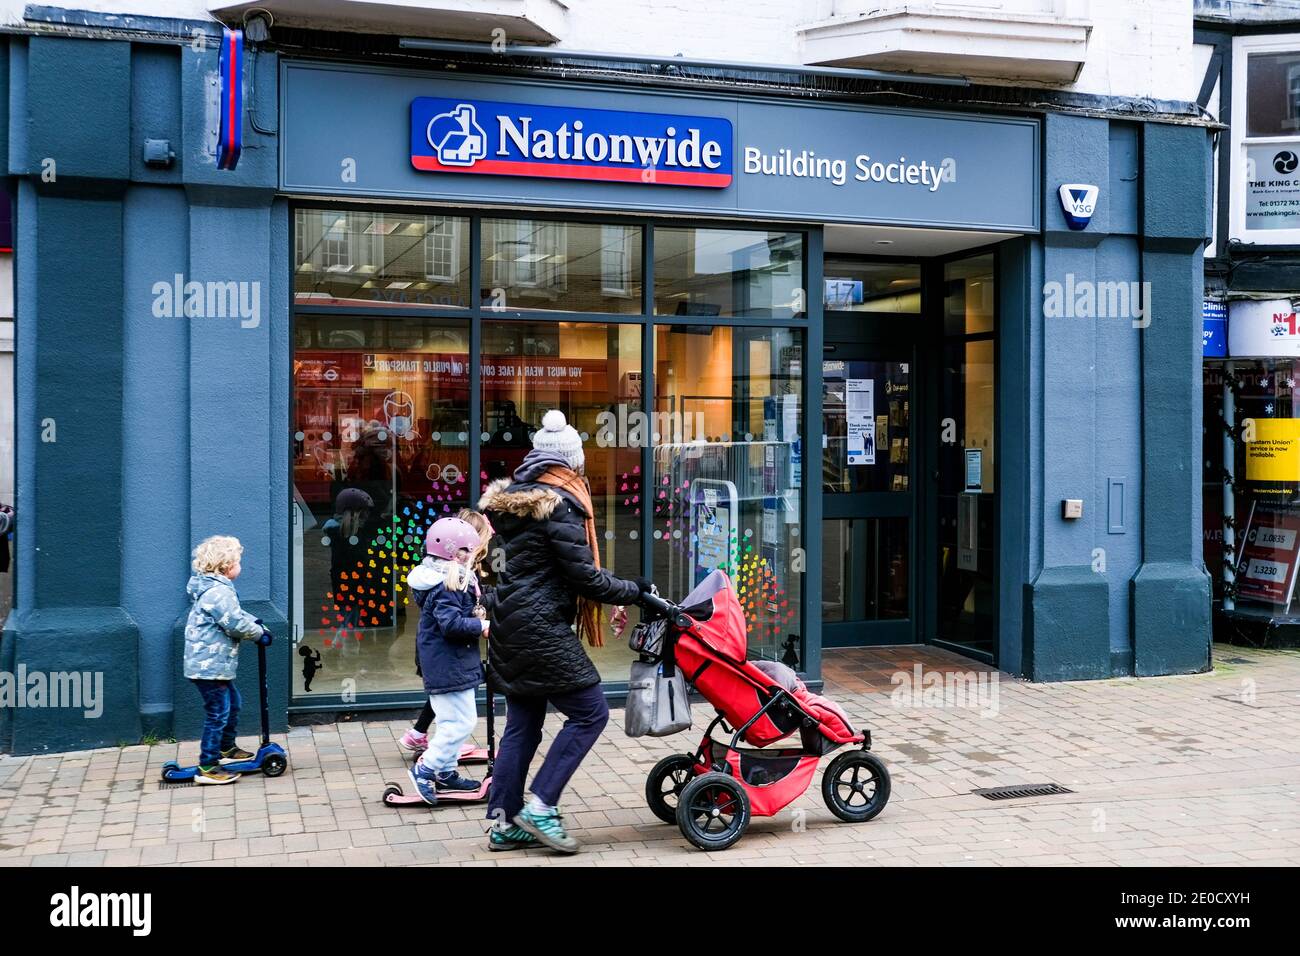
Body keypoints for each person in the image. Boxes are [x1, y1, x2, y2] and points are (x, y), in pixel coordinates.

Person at [479, 409, 652, 853]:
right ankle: (541, 806)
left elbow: (505, 567)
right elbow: (584, 578)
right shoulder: (560, 505)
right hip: (540, 628)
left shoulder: (511, 501)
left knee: (523, 724)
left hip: (508, 623)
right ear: (569, 463)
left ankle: (502, 821)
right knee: (591, 712)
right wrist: (637, 591)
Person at [406, 516, 491, 802]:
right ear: (455, 553)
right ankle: (426, 768)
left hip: (452, 661)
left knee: (449, 722)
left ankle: (445, 771)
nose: (473, 556)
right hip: (447, 663)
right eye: (469, 551)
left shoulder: (449, 579)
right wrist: (481, 626)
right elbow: (451, 624)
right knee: (463, 723)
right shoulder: (447, 585)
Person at [182, 535, 267, 785]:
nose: (241, 566)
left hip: (213, 666)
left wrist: (255, 622)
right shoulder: (218, 592)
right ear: (226, 566)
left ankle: (226, 748)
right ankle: (208, 766)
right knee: (218, 713)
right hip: (209, 667)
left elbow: (236, 614)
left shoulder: (215, 589)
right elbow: (234, 623)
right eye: (238, 562)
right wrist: (258, 633)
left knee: (234, 703)